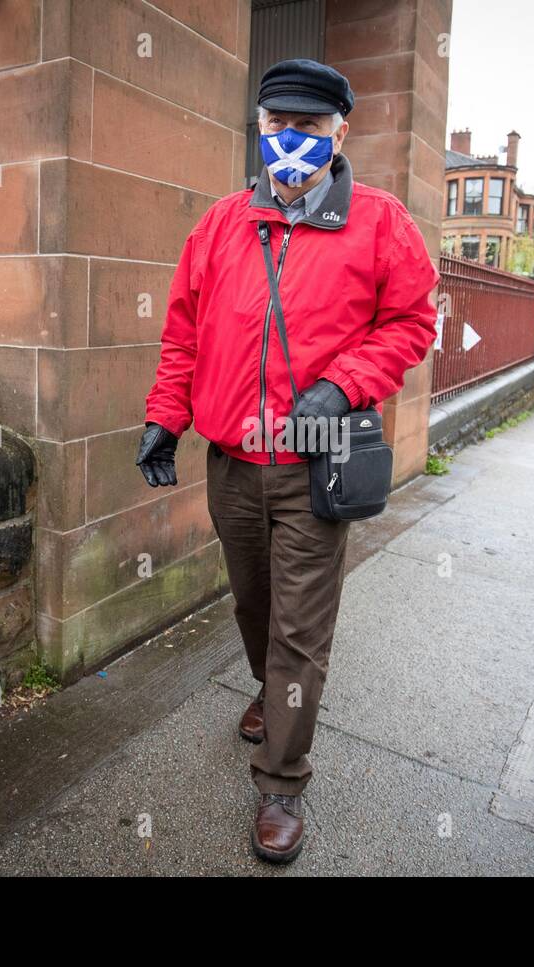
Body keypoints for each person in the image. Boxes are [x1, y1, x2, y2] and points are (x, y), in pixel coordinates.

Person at [136, 59, 438, 864]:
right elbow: (184, 334)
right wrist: (167, 418)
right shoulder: (221, 223)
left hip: (315, 463)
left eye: (308, 127)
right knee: (252, 602)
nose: (290, 140)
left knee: (301, 630)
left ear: (341, 131)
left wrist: (343, 387)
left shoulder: (381, 222)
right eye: (278, 125)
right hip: (231, 459)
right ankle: (271, 697)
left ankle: (281, 782)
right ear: (260, 126)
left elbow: (411, 323)